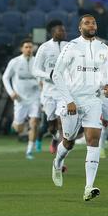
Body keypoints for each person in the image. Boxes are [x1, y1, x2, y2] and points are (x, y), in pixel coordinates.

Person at [51, 14, 108, 201]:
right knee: (68, 141)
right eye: (87, 22)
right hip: (72, 100)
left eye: (93, 22)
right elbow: (56, 75)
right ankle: (57, 163)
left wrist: (106, 84)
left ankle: (88, 187)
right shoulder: (71, 47)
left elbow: (104, 72)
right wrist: (68, 100)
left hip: (92, 100)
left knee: (93, 140)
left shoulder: (103, 47)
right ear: (80, 28)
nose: (91, 25)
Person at [33, 20, 68, 154]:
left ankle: (60, 153)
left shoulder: (69, 46)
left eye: (64, 30)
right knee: (52, 126)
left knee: (62, 121)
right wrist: (49, 75)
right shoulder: (44, 48)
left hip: (63, 92)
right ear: (53, 33)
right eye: (60, 30)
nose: (64, 32)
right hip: (48, 92)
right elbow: (35, 70)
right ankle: (54, 137)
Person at [2, 39, 41, 160]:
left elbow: (42, 77)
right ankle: (16, 123)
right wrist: (11, 92)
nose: (29, 49)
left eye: (31, 47)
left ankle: (29, 150)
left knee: (34, 123)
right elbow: (5, 77)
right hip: (20, 99)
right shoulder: (15, 62)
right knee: (19, 128)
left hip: (35, 97)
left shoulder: (38, 62)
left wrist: (41, 84)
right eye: (26, 47)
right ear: (22, 49)